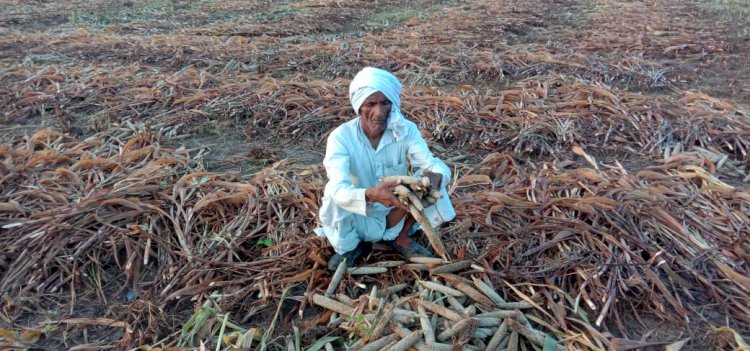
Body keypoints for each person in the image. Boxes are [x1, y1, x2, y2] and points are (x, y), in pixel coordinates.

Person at [314, 67, 456, 270]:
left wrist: (432, 178)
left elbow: (430, 163)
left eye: (385, 103)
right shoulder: (341, 137)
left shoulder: (405, 129)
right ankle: (348, 247)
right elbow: (338, 185)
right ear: (359, 106)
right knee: (332, 193)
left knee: (433, 178)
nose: (379, 113)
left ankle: (400, 236)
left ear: (393, 104)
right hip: (359, 213)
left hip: (396, 209)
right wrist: (370, 195)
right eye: (371, 104)